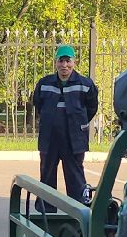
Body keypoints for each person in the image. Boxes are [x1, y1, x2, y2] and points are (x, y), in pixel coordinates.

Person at [29, 44, 98, 204]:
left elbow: (91, 107)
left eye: (68, 61)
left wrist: (77, 123)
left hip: (74, 139)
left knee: (75, 176)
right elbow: (38, 103)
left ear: (74, 62)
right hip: (50, 138)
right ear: (56, 62)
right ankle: (46, 212)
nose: (64, 65)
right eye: (61, 61)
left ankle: (78, 212)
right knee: (47, 175)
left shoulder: (85, 84)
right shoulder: (45, 84)